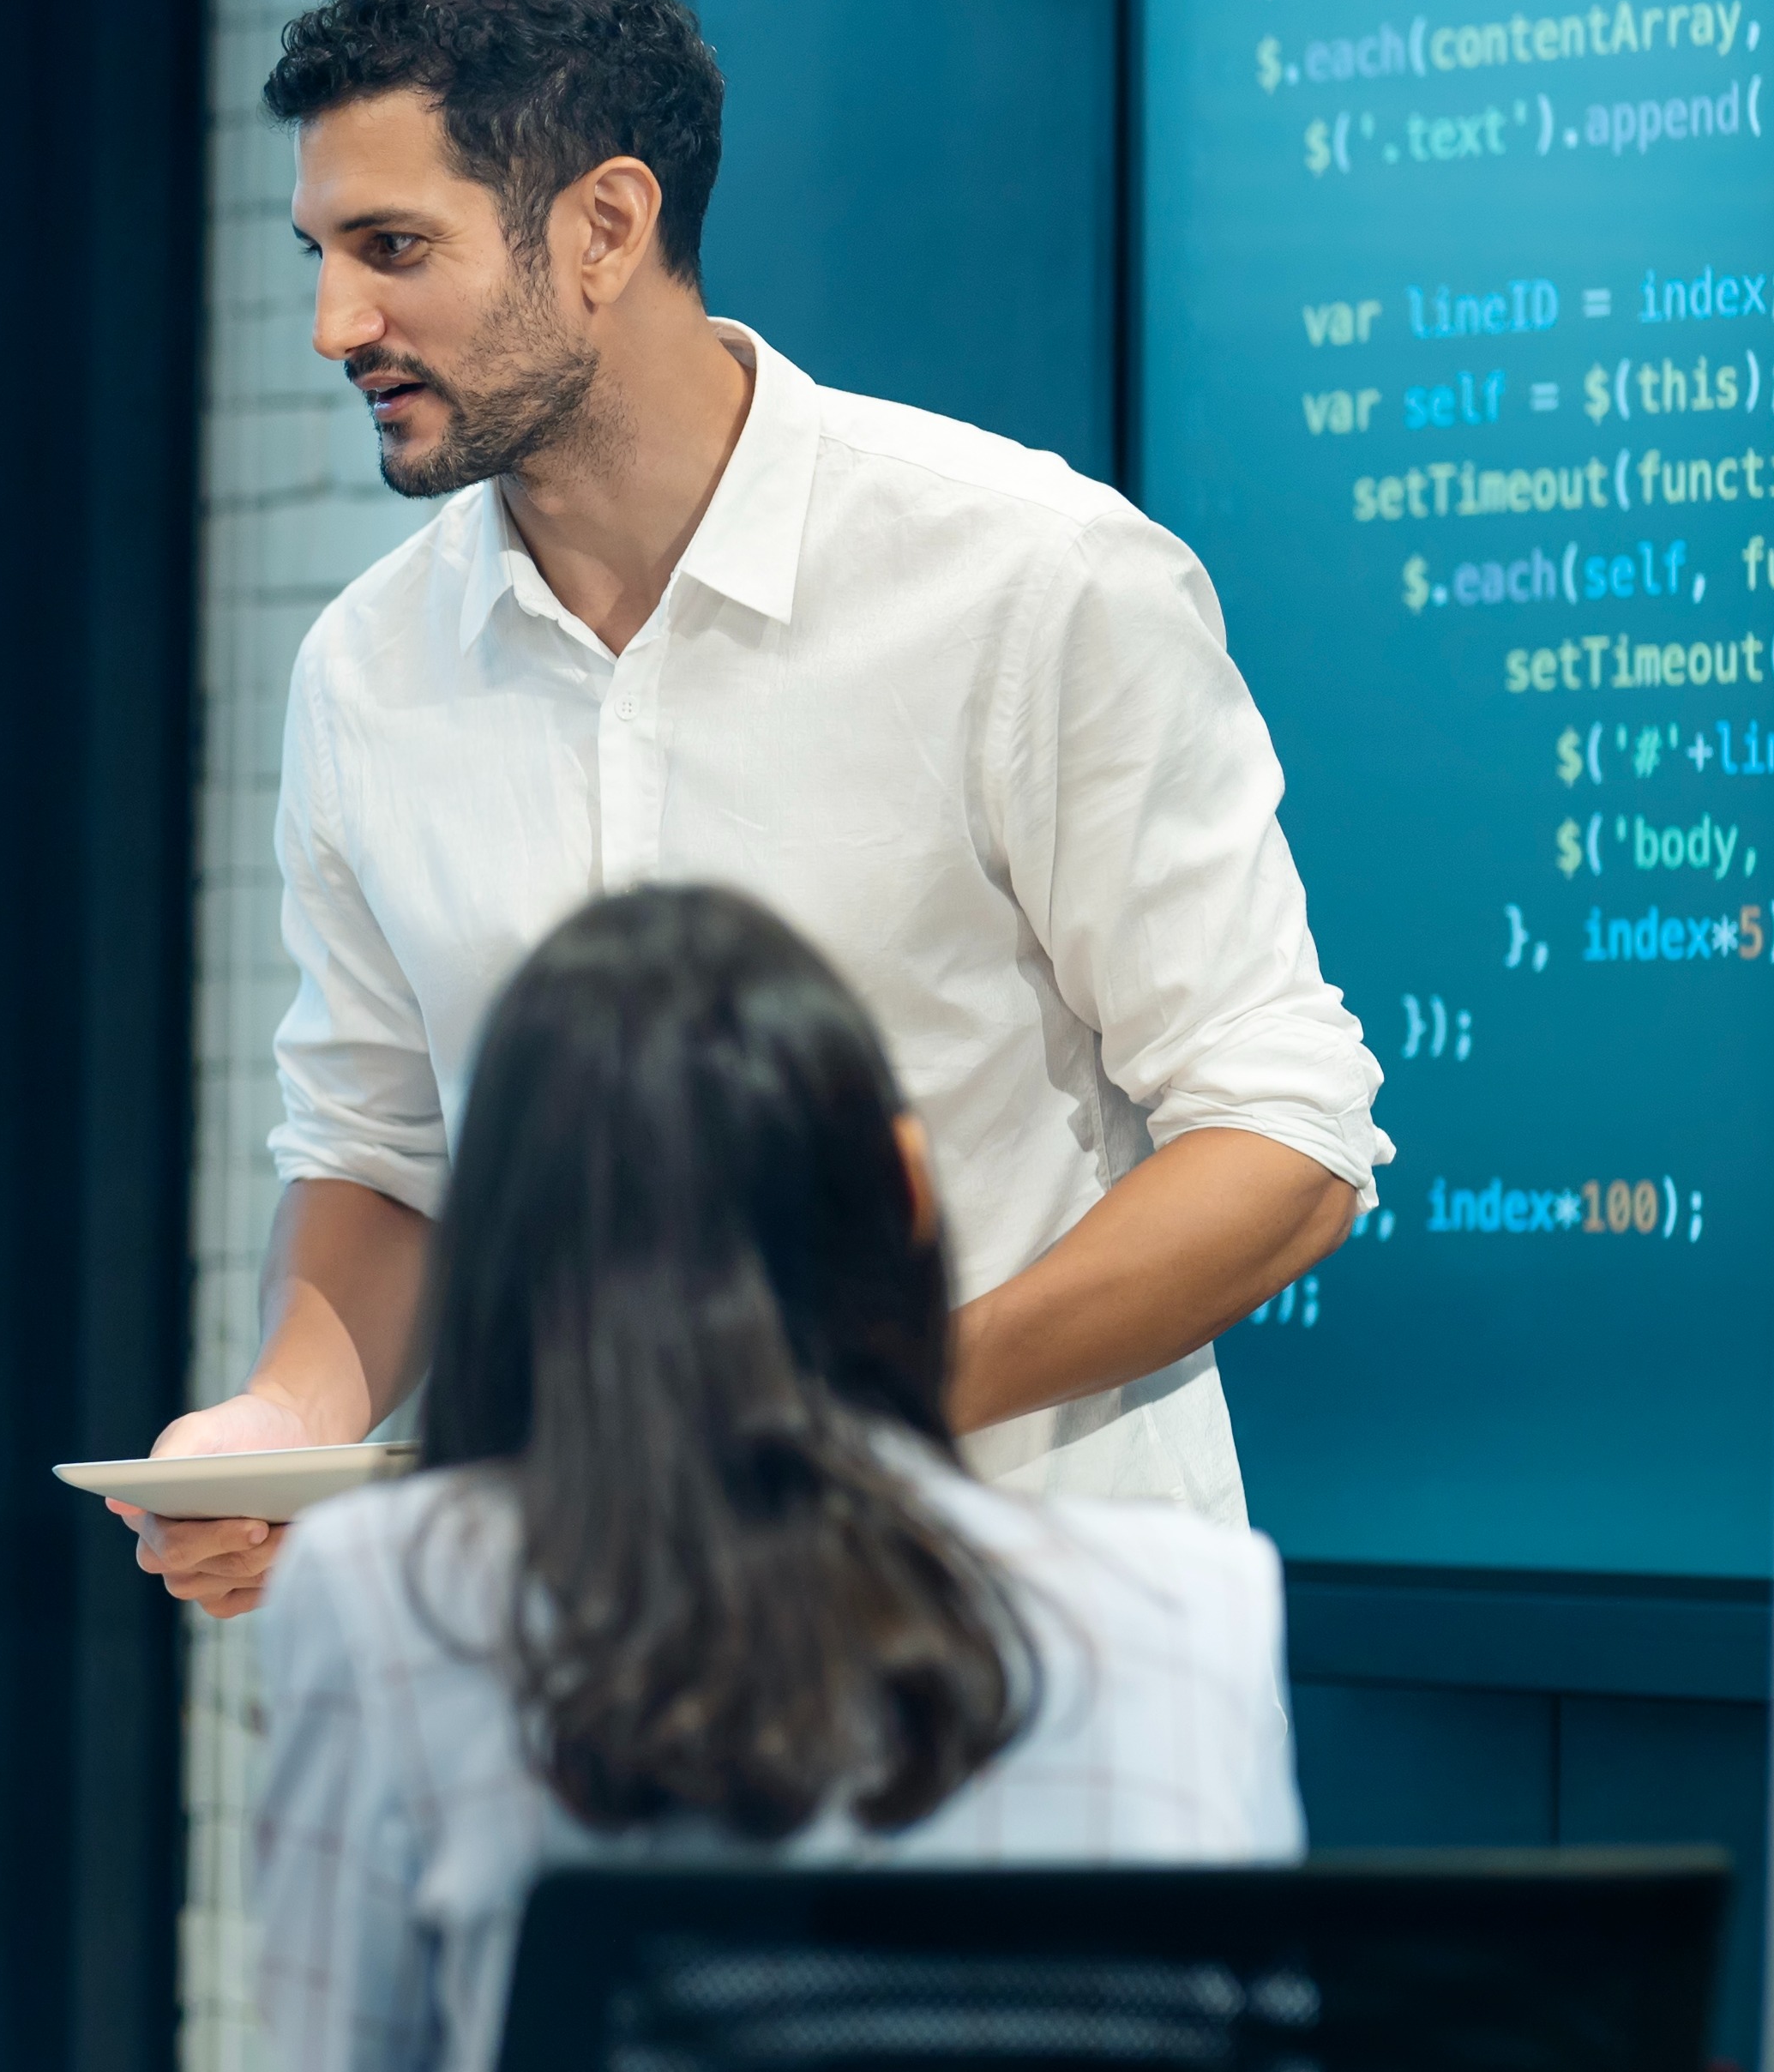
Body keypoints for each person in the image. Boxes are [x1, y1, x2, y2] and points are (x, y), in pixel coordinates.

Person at [132, 0, 1385, 1611]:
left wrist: (866, 1408)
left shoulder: (1034, 581)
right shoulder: (366, 669)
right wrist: (279, 1419)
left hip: (1028, 1650)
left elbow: (1284, 1137)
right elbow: (381, 1150)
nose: (334, 321)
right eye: (320, 253)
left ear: (605, 226)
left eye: (394, 247)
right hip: (580, 1667)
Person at [250, 886, 1302, 2072]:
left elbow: (340, 2045)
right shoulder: (1198, 1612)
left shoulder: (391, 1600)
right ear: (907, 1189)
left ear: (501, 1251)